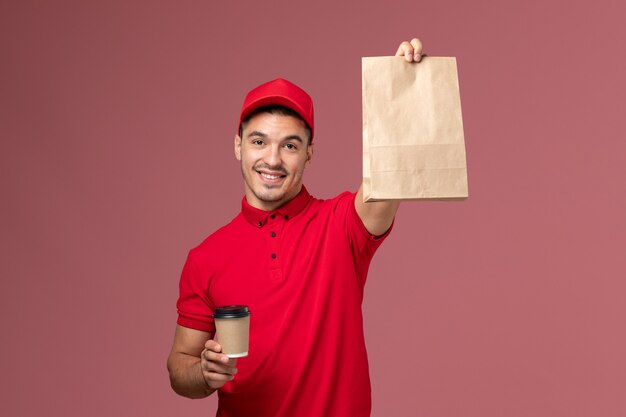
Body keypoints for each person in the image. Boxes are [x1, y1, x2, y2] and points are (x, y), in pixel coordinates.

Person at [167, 38, 424, 417]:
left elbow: (393, 173)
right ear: (239, 146)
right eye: (259, 142)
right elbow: (179, 366)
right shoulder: (205, 258)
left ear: (309, 153)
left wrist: (403, 88)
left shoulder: (342, 225)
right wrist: (203, 373)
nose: (272, 159)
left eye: (290, 145)